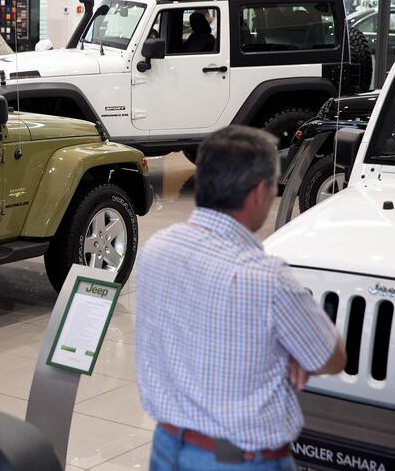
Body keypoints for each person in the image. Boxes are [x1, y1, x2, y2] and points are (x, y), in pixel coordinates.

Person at [135, 125, 346, 471]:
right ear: (259, 192)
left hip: (167, 446)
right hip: (238, 461)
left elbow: (197, 328)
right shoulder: (267, 279)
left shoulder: (157, 248)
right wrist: (291, 350)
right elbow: (331, 359)